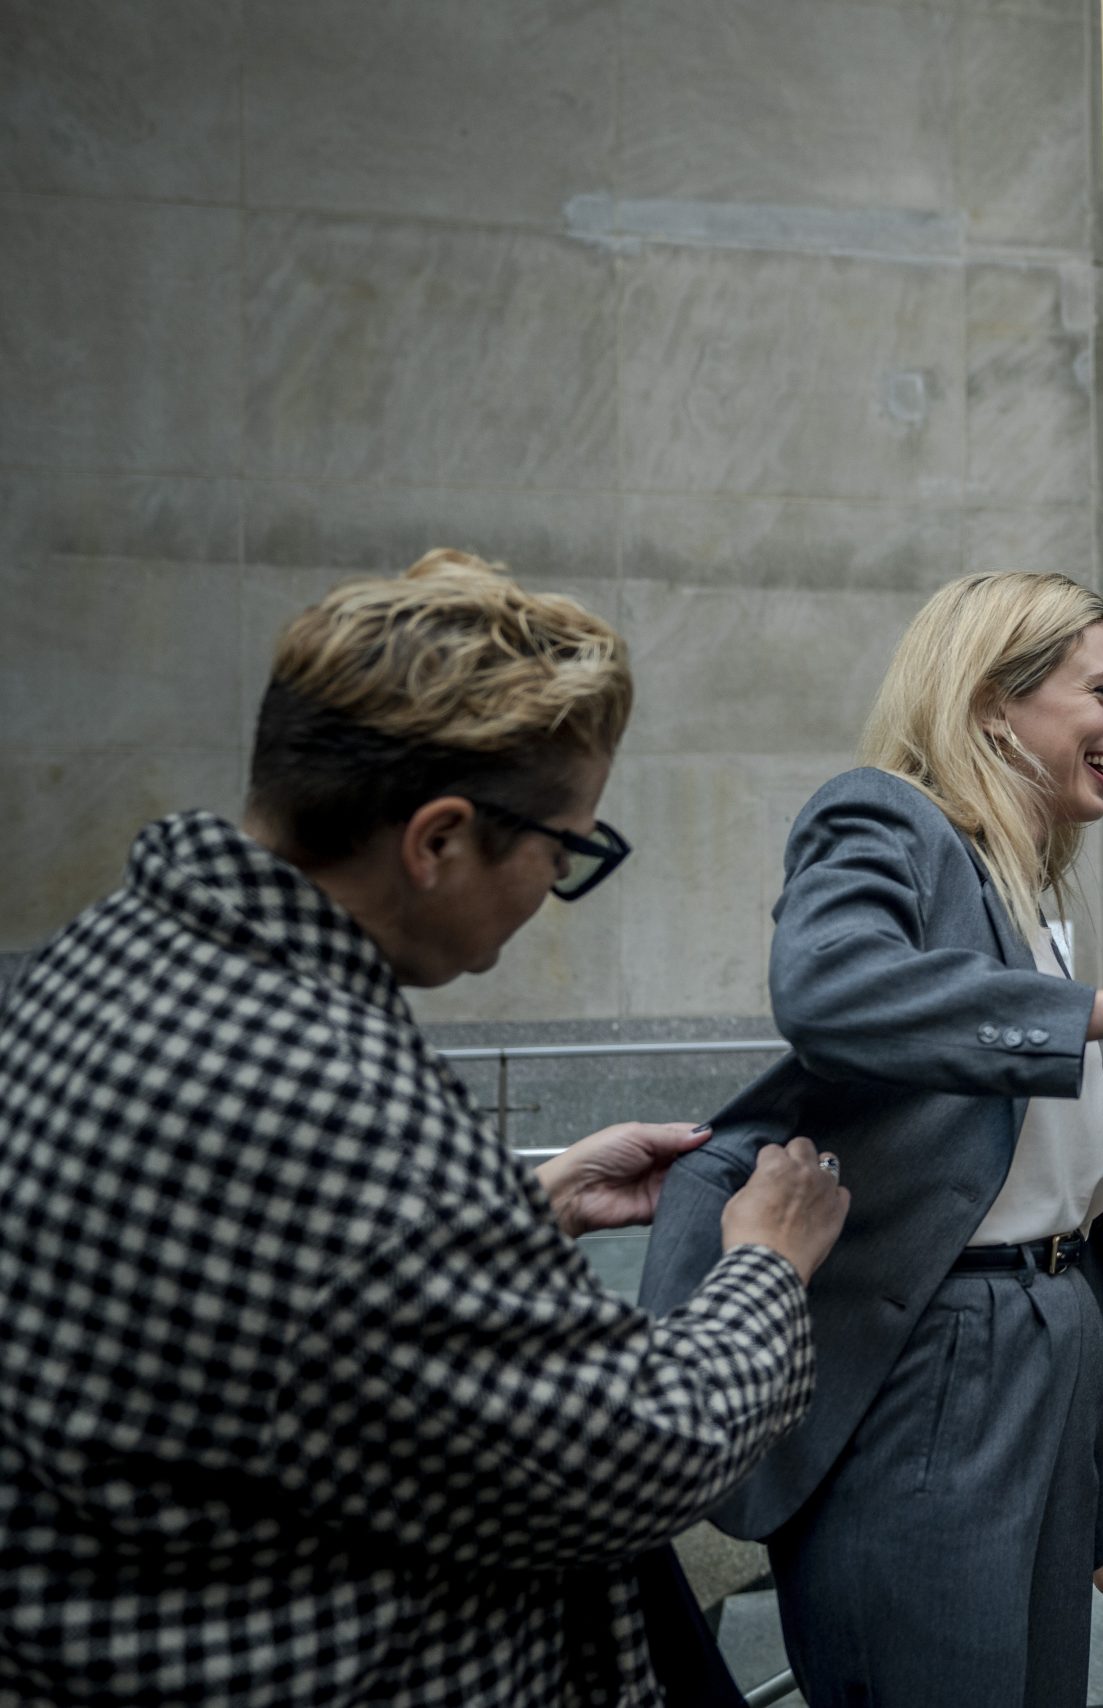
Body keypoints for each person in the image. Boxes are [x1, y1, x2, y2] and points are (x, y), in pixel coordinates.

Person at [0, 550, 852, 1706]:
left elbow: (264, 1288)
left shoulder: (100, 966)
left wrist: (518, 1213)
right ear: (439, 838)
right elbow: (636, 1451)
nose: (555, 881)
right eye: (566, 848)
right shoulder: (334, 1103)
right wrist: (766, 1262)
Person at [637, 573, 1103, 1708]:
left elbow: (980, 1161)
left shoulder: (1028, 880)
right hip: (944, 1359)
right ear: (990, 701)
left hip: (1052, 1337)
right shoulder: (883, 814)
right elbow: (828, 986)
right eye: (1102, 691)